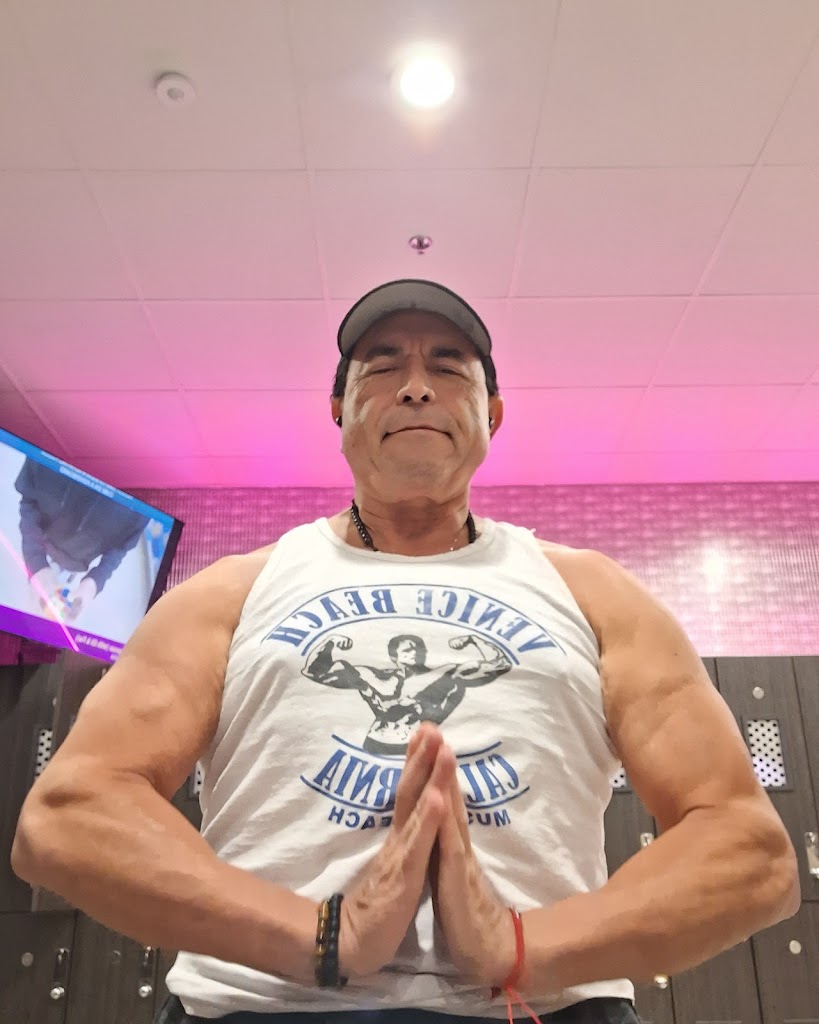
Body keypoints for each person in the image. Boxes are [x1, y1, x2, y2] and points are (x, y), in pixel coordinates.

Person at [12, 279, 799, 1024]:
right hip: (263, 1006)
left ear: (491, 412)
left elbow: (748, 851)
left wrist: (518, 948)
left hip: (539, 1007)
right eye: (382, 366)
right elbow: (69, 817)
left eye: (448, 367)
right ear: (339, 409)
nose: (416, 387)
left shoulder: (595, 593)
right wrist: (327, 937)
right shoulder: (230, 592)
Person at [14, 457, 149, 622]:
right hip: (42, 541)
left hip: (77, 562)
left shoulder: (150, 489)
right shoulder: (48, 451)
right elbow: (29, 499)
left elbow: (122, 544)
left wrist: (94, 582)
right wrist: (36, 562)